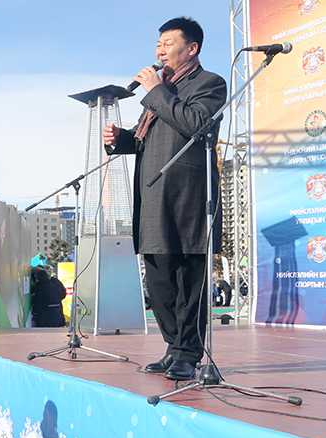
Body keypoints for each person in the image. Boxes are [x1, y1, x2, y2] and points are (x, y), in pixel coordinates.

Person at [103, 16, 226, 381]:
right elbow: (148, 141)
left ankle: (189, 353)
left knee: (189, 281)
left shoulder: (210, 84)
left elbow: (197, 125)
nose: (160, 50)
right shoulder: (163, 90)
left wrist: (157, 91)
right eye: (158, 44)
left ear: (192, 48)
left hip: (189, 198)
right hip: (153, 196)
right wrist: (120, 139)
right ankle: (174, 347)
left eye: (168, 43)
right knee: (159, 282)